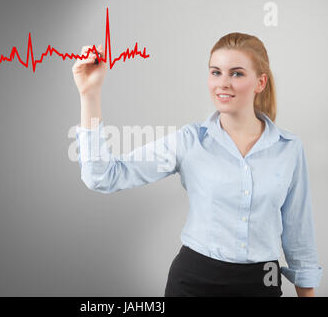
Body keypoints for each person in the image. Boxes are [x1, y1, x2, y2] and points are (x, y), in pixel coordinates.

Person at [71, 32, 322, 297]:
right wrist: (90, 95)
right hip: (194, 282)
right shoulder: (190, 141)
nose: (223, 83)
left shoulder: (289, 148)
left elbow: (299, 235)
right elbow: (103, 176)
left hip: (262, 283)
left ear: (260, 82)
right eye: (216, 72)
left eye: (236, 74)